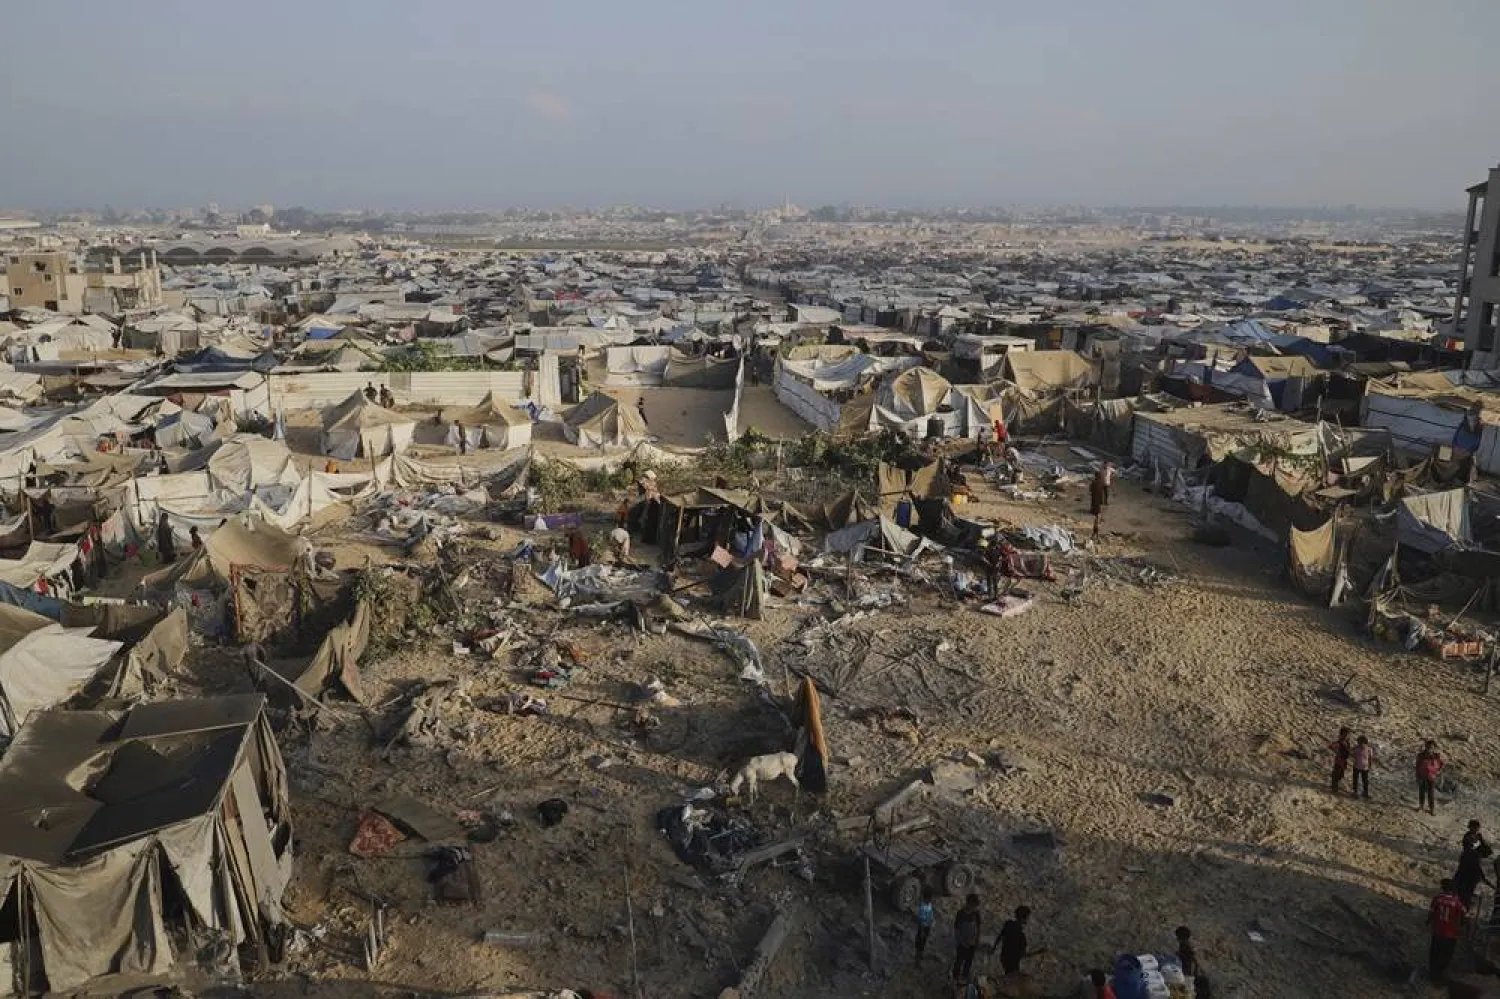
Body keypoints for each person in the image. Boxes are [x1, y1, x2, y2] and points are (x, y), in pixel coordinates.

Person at [1428, 878, 1466, 983]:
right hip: (1450, 934)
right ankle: (1441, 975)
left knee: (1435, 953)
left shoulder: (1437, 899)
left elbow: (1431, 914)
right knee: (1446, 956)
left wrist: (1428, 922)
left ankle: (1432, 974)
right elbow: (1463, 914)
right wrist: (1461, 927)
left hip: (1438, 932)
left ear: (1442, 887)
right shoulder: (1456, 901)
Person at [992, 905, 1032, 976]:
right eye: (1028, 917)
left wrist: (993, 948)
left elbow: (1000, 937)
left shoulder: (1009, 924)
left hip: (1004, 958)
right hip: (1013, 962)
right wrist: (1038, 952)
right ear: (1024, 918)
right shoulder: (1021, 936)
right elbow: (1023, 955)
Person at [952, 894, 981, 985]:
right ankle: (955, 978)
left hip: (972, 943)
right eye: (973, 905)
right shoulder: (961, 914)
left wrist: (977, 940)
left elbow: (978, 927)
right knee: (959, 961)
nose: (974, 907)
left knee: (968, 961)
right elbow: (957, 929)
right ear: (968, 903)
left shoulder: (976, 914)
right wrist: (960, 942)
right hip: (962, 942)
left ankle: (964, 977)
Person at [1417, 741, 1444, 814]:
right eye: (1428, 747)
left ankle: (1432, 809)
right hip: (1422, 776)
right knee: (1421, 792)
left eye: (1431, 747)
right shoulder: (1421, 755)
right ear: (1426, 747)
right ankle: (1421, 807)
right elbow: (1417, 766)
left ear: (1434, 748)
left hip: (1431, 777)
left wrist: (1438, 772)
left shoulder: (1436, 756)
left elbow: (1442, 764)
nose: (1429, 749)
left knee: (1431, 794)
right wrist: (1417, 776)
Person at [1089, 464, 1112, 539]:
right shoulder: (1100, 481)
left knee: (1095, 505)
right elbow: (1103, 488)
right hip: (1099, 496)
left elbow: (1091, 488)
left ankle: (1095, 512)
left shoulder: (1095, 481)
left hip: (1095, 496)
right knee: (1097, 506)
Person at [1328, 727, 1352, 794]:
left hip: (1344, 761)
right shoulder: (1339, 742)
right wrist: (1336, 751)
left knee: (1341, 774)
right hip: (1339, 760)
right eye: (1345, 734)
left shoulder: (1347, 742)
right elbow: (1331, 746)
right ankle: (1334, 787)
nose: (1346, 736)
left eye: (1347, 734)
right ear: (1341, 734)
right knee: (1336, 773)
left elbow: (1348, 751)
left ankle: (1335, 785)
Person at [914, 887, 935, 962]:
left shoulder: (929, 904)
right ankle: (917, 959)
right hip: (923, 928)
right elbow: (921, 920)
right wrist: (922, 931)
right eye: (931, 898)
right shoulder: (923, 907)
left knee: (923, 942)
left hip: (927, 927)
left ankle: (920, 955)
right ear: (927, 898)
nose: (932, 899)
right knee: (920, 943)